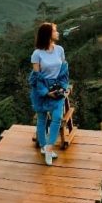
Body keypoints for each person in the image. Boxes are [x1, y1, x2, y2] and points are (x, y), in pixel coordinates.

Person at [28, 22, 70, 165]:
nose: (57, 33)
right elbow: (36, 77)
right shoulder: (37, 54)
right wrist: (46, 93)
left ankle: (49, 147)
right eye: (55, 30)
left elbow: (64, 71)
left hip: (57, 88)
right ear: (48, 34)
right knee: (42, 118)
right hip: (42, 89)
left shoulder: (59, 50)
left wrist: (62, 87)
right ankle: (43, 146)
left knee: (57, 117)